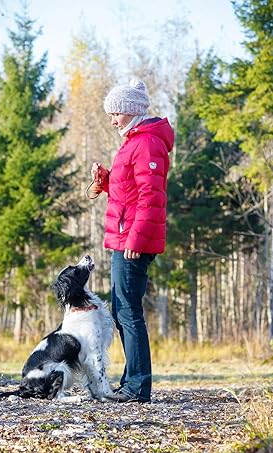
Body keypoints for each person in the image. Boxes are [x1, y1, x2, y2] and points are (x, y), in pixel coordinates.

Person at [90, 78, 174, 403]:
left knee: (129, 311)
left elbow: (151, 196)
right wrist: (107, 181)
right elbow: (129, 193)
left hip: (133, 241)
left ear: (131, 111)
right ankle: (131, 382)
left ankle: (138, 387)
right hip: (124, 237)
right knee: (120, 310)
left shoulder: (148, 143)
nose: (112, 120)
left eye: (115, 114)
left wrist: (136, 238)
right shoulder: (133, 141)